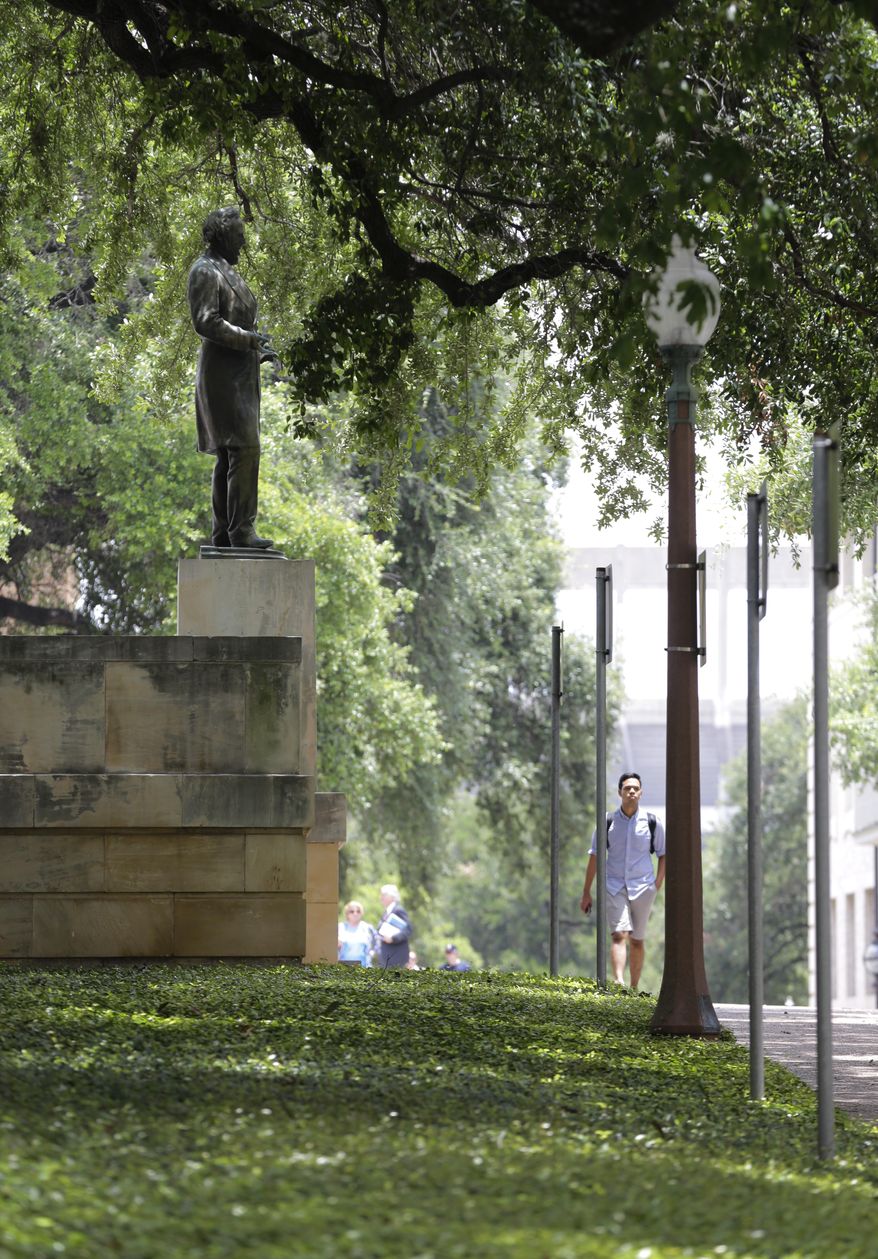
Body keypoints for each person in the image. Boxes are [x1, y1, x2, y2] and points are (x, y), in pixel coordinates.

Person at [187, 205, 279, 550]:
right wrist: (248, 340)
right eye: (239, 235)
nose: (243, 241)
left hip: (241, 375)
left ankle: (224, 535)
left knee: (231, 455)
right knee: (245, 449)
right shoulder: (204, 270)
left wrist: (259, 343)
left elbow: (242, 323)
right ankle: (240, 531)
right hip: (222, 378)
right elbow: (205, 321)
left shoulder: (227, 271)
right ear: (223, 234)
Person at [580, 771, 665, 990]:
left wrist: (657, 883)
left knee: (637, 940)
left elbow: (664, 854)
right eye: (627, 788)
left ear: (641, 792)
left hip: (643, 887)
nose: (631, 792)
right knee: (619, 934)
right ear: (620, 792)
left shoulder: (652, 822)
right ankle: (619, 980)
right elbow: (595, 856)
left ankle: (634, 987)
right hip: (614, 885)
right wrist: (587, 891)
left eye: (635, 788)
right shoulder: (607, 822)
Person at [375, 884, 412, 968]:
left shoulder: (398, 910)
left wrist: (393, 938)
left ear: (392, 897)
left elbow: (408, 930)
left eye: (383, 895)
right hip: (387, 958)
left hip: (396, 958)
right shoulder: (387, 912)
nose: (381, 897)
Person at [337, 901, 376, 966]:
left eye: (358, 911)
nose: (355, 914)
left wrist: (373, 953)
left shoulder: (367, 927)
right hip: (344, 966)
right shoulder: (341, 927)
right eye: (352, 911)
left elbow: (377, 941)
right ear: (347, 914)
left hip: (363, 967)